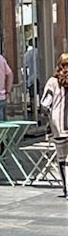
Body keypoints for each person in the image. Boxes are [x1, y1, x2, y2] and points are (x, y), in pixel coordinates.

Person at [41, 54, 68, 198]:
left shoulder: (53, 82)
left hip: (59, 125)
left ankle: (66, 188)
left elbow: (45, 103)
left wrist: (45, 113)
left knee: (62, 157)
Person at [25, 38, 42, 103]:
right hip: (40, 76)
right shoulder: (41, 52)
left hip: (31, 78)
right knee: (41, 94)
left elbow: (25, 66)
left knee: (32, 96)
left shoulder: (27, 54)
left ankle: (33, 106)